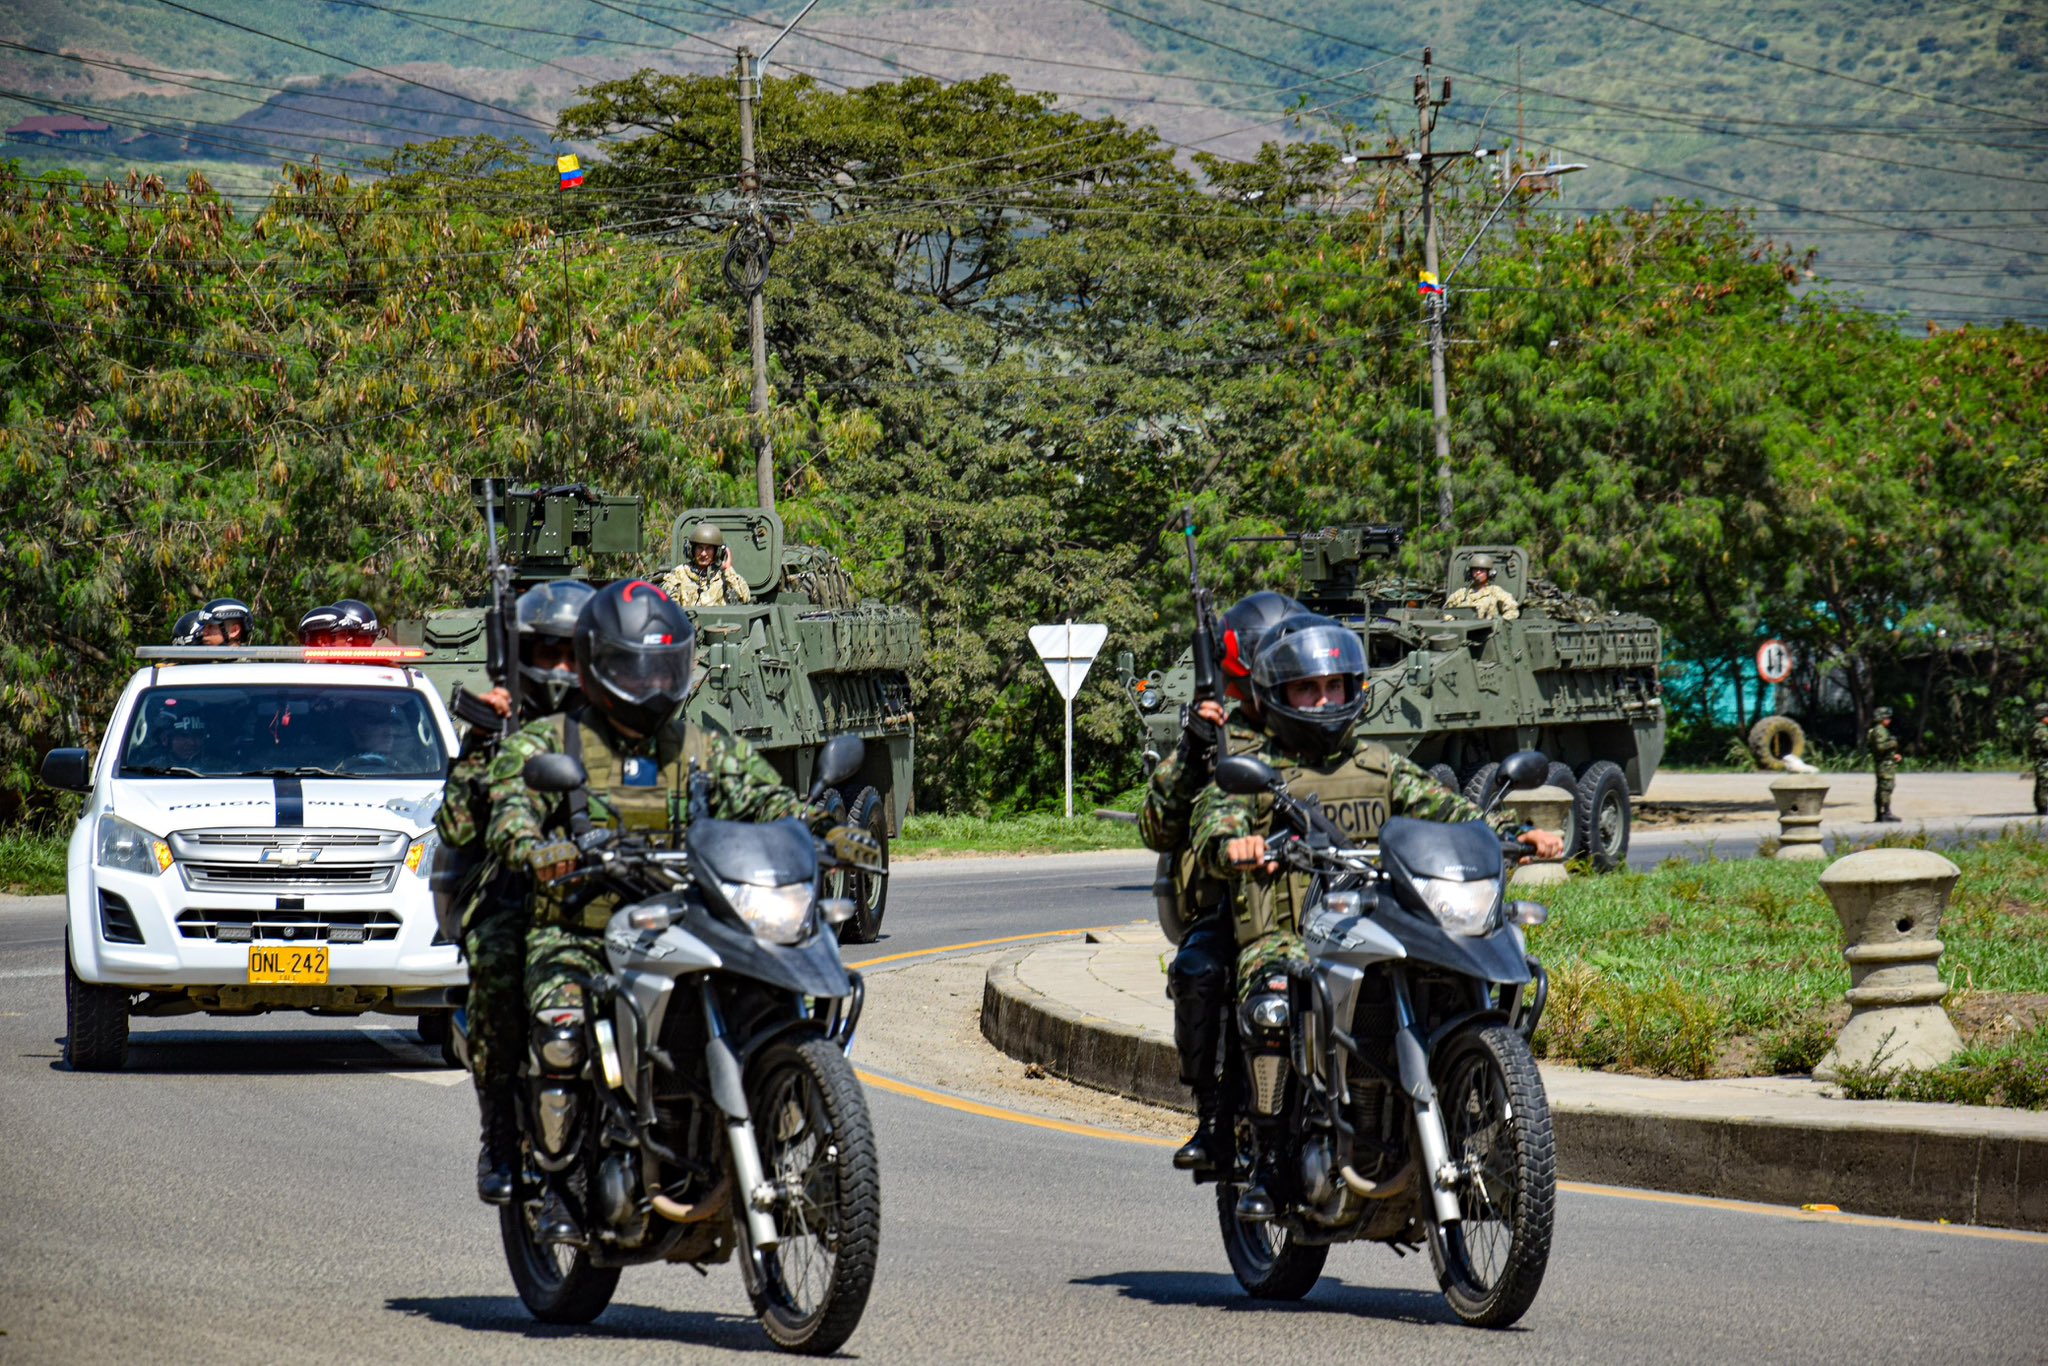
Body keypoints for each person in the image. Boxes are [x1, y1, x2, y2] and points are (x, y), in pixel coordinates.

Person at [481, 578, 872, 1245]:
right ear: (601, 665)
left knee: (772, 995)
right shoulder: (551, 743)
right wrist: (535, 846)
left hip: (685, 922)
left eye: (665, 665)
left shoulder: (702, 747)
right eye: (638, 666)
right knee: (561, 1026)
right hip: (580, 928)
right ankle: (557, 1181)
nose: (652, 680)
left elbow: (769, 803)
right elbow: (510, 808)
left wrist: (828, 832)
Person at [1188, 613, 1563, 1219]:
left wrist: (1511, 835)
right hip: (1290, 936)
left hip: (1379, 927)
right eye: (1307, 689)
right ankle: (1270, 1164)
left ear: (1355, 689)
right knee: (1275, 1003)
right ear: (1277, 698)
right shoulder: (1255, 774)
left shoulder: (1380, 766)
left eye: (1334, 687)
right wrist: (1238, 843)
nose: (1323, 699)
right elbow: (1216, 820)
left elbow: (1451, 812)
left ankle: (1475, 1122)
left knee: (1471, 975)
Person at [438, 578, 594, 1206]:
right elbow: (454, 828)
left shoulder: (617, 720)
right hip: (512, 893)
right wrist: (480, 746)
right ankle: (500, 1136)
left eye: (570, 655)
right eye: (546, 653)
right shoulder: (500, 727)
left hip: (602, 890)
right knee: (499, 971)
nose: (559, 669)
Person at [1139, 590, 1300, 1175]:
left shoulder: (1317, 724)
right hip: (1232, 909)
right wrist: (1192, 750)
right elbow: (1157, 828)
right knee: (1198, 969)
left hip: (1323, 903)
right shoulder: (1217, 739)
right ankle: (1211, 1117)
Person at [659, 524, 751, 608]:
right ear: (691, 550)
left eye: (709, 549)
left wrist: (728, 570)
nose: (703, 554)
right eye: (700, 548)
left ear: (717, 552)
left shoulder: (723, 576)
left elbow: (745, 597)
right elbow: (668, 606)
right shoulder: (679, 574)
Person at [1444, 552, 1520, 621]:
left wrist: (1499, 624)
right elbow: (1446, 611)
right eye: (1475, 570)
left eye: (1482, 570)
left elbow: (1512, 610)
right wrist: (1451, 620)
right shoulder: (1461, 593)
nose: (1478, 572)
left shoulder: (1495, 592)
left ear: (1489, 573)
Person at [1869, 706, 1902, 823]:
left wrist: (1893, 756)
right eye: (1887, 718)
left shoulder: (1879, 730)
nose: (1889, 720)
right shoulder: (1880, 730)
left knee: (1883, 788)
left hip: (1885, 763)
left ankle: (1881, 813)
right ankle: (1885, 813)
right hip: (1884, 765)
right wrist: (1893, 743)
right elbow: (1880, 747)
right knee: (1886, 788)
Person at [2030, 702, 2048, 818]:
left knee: (2041, 783)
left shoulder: (2040, 729)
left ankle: (2041, 806)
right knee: (2044, 784)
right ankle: (2044, 807)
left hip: (2042, 761)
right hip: (2043, 762)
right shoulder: (2041, 730)